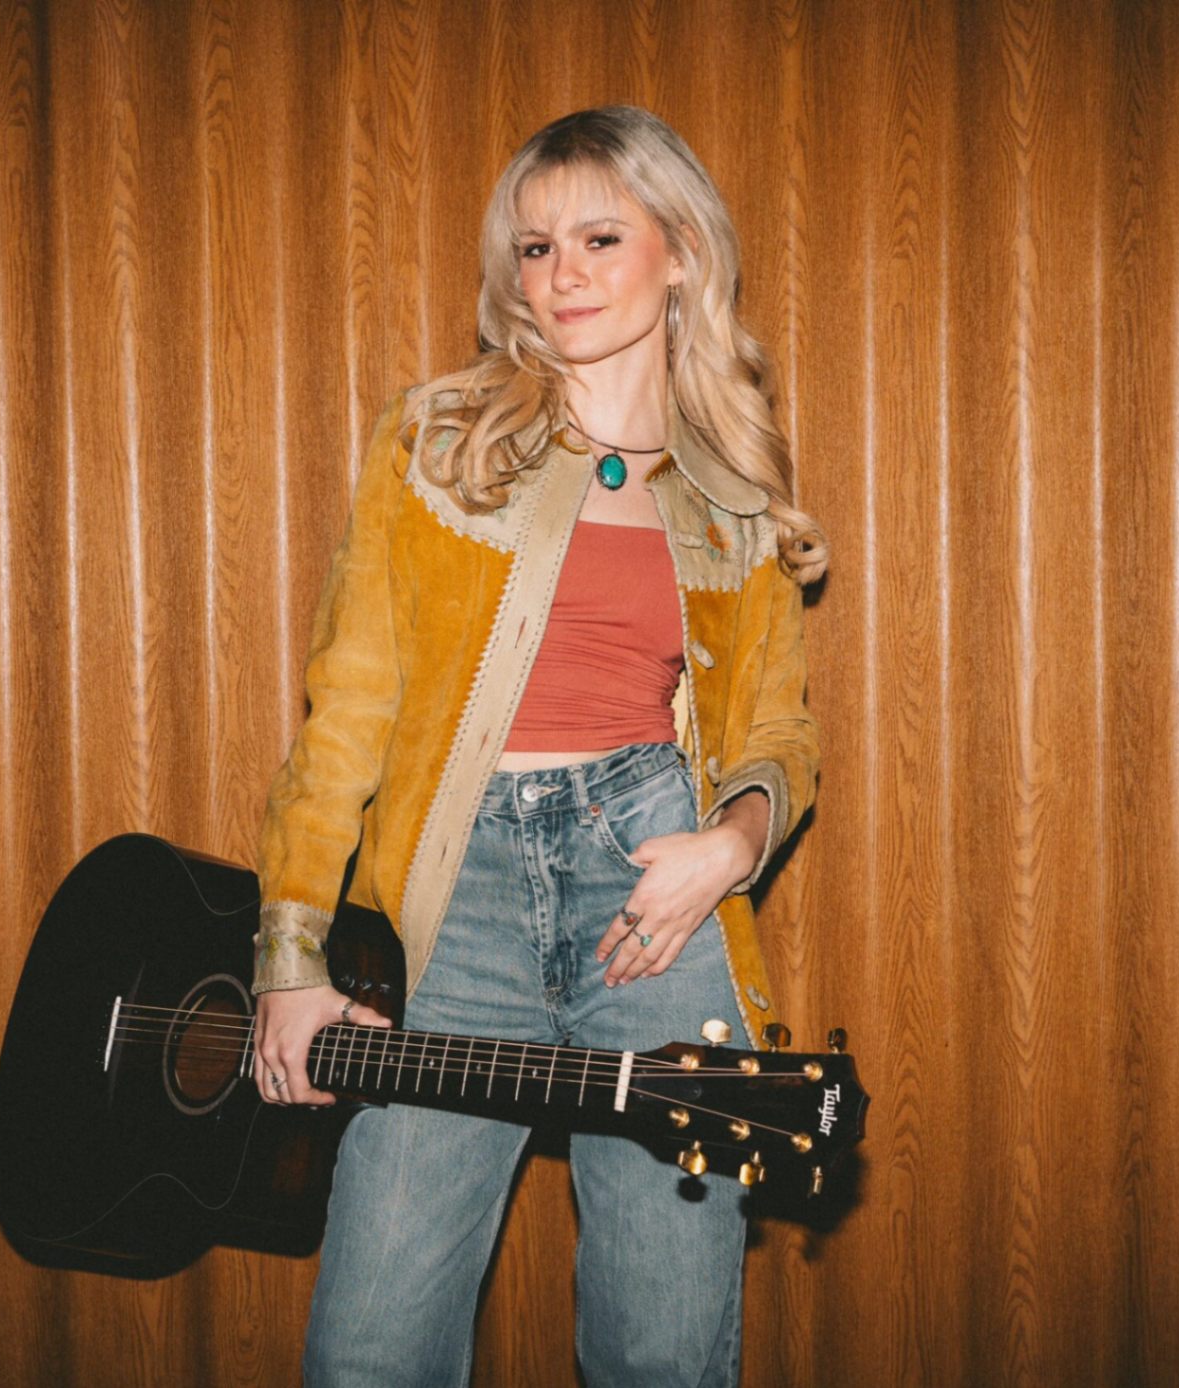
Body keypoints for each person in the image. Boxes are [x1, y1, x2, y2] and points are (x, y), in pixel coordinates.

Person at [250, 105, 827, 1388]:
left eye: (599, 238)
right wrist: (290, 948)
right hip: (457, 910)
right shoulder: (438, 442)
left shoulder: (731, 493)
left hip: (651, 905)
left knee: (660, 1349)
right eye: (533, 246)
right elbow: (346, 707)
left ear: (679, 253)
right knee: (369, 1349)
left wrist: (726, 849)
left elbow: (781, 730)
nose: (559, 273)